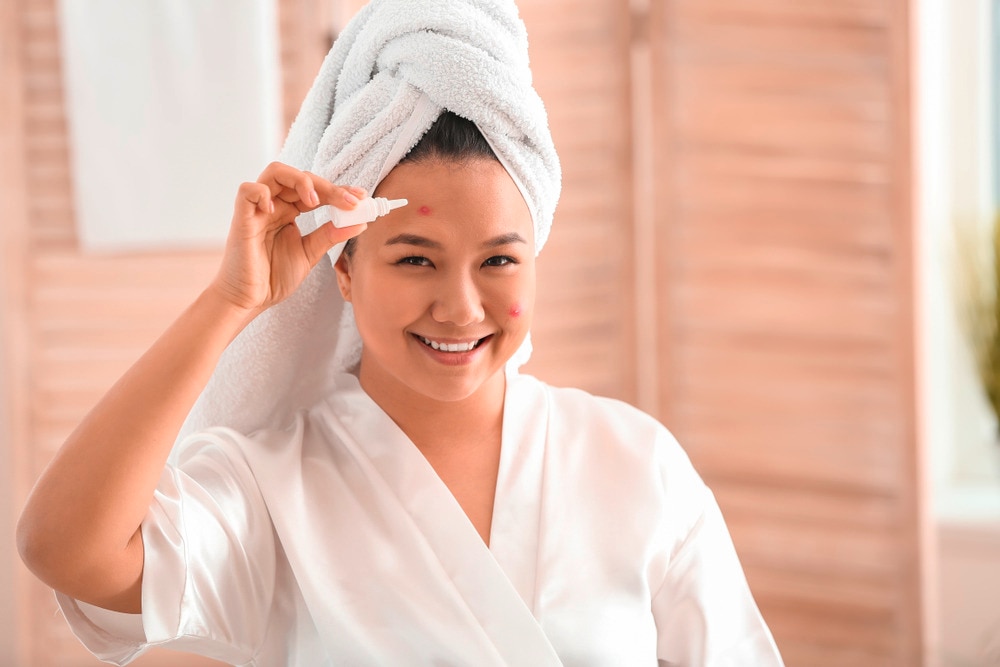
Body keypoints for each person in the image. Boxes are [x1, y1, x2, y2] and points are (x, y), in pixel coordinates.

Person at [17, 1, 784, 665]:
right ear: (344, 269)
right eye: (416, 258)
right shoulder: (274, 487)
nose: (459, 306)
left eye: (498, 260)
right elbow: (62, 546)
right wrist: (229, 300)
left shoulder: (636, 462)